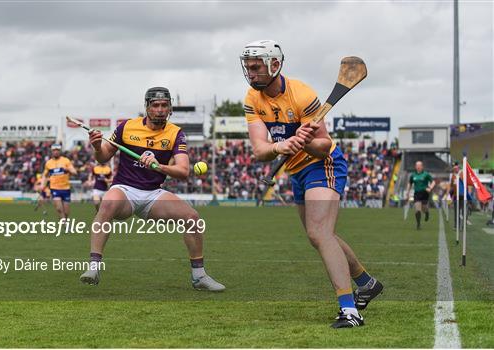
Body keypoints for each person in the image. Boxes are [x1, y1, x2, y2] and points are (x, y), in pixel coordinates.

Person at [240, 40, 382, 328]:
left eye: (255, 67)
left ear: (274, 65)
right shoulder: (253, 99)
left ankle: (349, 310)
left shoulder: (302, 95)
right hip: (296, 172)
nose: (250, 73)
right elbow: (259, 150)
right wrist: (283, 146)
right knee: (318, 234)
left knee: (319, 232)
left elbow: (323, 145)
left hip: (323, 164)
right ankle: (366, 283)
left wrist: (305, 144)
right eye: (248, 67)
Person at [79, 87, 225, 292]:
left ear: (170, 108)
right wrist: (96, 147)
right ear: (147, 107)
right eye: (155, 105)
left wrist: (158, 166)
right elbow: (104, 156)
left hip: (153, 194)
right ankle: (93, 267)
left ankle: (199, 276)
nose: (160, 110)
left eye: (164, 105)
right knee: (108, 204)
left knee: (192, 218)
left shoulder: (176, 133)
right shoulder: (126, 127)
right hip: (124, 189)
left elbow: (183, 171)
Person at [41, 144, 77, 219]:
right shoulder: (48, 163)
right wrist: (42, 185)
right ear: (52, 151)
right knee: (59, 208)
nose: (56, 152)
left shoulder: (66, 160)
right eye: (54, 150)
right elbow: (45, 175)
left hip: (66, 188)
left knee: (66, 211)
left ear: (60, 151)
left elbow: (74, 172)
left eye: (57, 150)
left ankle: (64, 220)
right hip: (54, 188)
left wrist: (68, 170)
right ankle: (64, 223)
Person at [406, 161, 435, 230]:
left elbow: (433, 182)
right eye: (417, 166)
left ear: (422, 167)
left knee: (424, 208)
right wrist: (407, 192)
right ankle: (418, 224)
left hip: (425, 193)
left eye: (419, 166)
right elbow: (409, 184)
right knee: (417, 210)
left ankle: (427, 213)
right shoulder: (413, 175)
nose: (418, 167)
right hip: (417, 194)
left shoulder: (426, 174)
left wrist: (430, 188)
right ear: (415, 167)